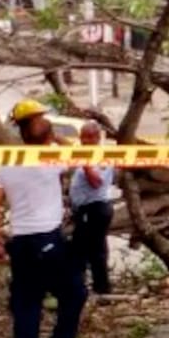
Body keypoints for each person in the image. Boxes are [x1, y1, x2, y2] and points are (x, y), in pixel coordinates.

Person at [0, 99, 87, 338]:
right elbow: (78, 153)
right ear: (36, 128)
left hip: (21, 244)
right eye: (41, 119)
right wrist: (53, 138)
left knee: (26, 302)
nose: (46, 122)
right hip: (47, 240)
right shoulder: (51, 157)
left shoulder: (8, 162)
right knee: (75, 294)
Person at [69, 122, 115, 297]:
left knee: (89, 248)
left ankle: (99, 288)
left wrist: (85, 164)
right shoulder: (85, 153)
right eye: (82, 136)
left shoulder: (102, 157)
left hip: (95, 207)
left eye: (88, 137)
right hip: (84, 208)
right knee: (88, 247)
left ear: (97, 138)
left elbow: (96, 182)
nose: (84, 141)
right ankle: (90, 286)